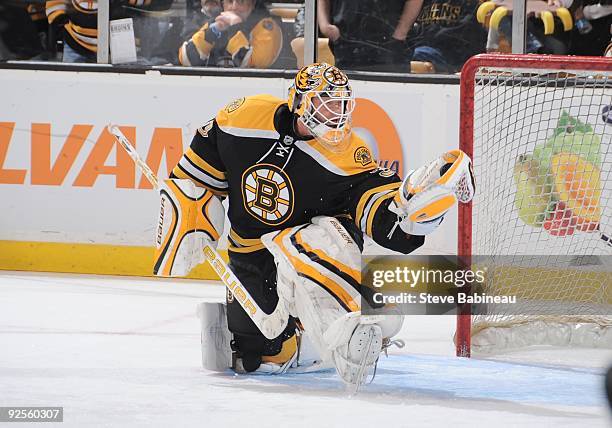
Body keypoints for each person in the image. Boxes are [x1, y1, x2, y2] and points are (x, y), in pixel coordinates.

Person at [164, 63, 474, 387]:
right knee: (259, 356)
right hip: (251, 251)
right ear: (299, 103)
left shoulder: (349, 153)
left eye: (341, 103)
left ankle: (350, 316)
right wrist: (190, 209)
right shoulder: (244, 118)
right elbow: (201, 161)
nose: (336, 113)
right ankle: (308, 341)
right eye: (326, 103)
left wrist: (412, 215)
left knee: (310, 242)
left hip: (313, 244)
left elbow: (378, 212)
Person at [45, 0, 174, 63]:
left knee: (123, 93)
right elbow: (56, 3)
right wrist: (58, 18)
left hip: (120, 43)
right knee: (73, 92)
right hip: (76, 41)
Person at [317, 0, 422, 72]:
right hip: (346, 44)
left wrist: (400, 34)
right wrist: (324, 25)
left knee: (393, 99)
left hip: (390, 47)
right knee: (350, 99)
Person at [178, 0, 282, 68]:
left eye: (241, 2)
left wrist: (235, 28)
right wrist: (212, 31)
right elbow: (186, 59)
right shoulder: (216, 21)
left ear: (252, 4)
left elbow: (257, 64)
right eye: (230, 1)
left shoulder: (267, 25)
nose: (234, 7)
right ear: (223, 4)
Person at [407, 0, 487, 73]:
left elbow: (465, 33)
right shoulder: (421, 3)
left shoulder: (473, 5)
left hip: (451, 63)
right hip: (418, 54)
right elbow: (412, 32)